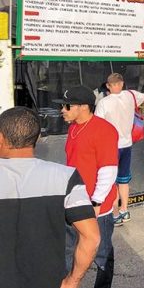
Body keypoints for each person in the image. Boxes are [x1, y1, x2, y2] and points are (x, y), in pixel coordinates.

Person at [1, 107, 100, 288]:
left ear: (0, 137)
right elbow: (91, 237)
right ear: (37, 138)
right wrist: (72, 281)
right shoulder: (66, 177)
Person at [61, 86, 120, 288]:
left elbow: (109, 170)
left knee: (101, 252)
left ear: (84, 107)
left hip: (96, 204)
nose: (63, 110)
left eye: (67, 106)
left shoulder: (104, 130)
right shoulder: (73, 128)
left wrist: (96, 201)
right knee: (68, 248)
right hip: (72, 200)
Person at [95, 73, 144, 225]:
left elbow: (97, 125)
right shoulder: (130, 95)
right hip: (127, 144)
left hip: (111, 146)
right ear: (122, 83)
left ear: (108, 85)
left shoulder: (104, 103)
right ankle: (124, 210)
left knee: (111, 180)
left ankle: (114, 214)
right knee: (124, 180)